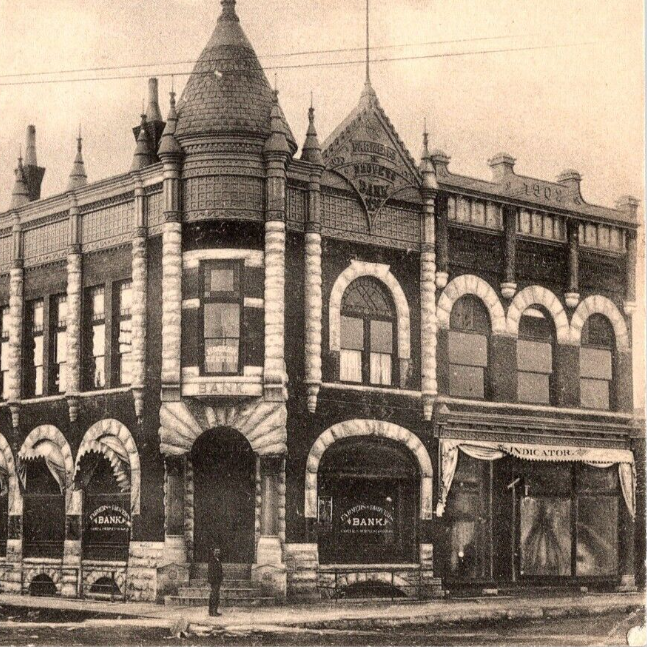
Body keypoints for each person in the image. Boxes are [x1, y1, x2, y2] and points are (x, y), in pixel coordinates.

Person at [208, 547, 223, 616]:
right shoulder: (212, 560)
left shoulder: (218, 560)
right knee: (214, 596)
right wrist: (212, 581)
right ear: (213, 552)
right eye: (216, 551)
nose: (217, 552)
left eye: (218, 551)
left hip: (217, 581)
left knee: (216, 596)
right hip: (214, 581)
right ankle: (212, 611)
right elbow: (210, 571)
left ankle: (214, 611)